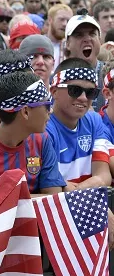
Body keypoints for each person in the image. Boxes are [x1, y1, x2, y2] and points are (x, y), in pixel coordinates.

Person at [0, 71, 64, 194]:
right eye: (47, 105)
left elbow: (53, 197)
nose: (51, 111)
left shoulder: (42, 140)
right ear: (26, 112)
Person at [47, 58, 113, 187]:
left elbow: (104, 176)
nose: (83, 98)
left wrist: (78, 191)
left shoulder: (94, 120)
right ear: (54, 91)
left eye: (90, 92)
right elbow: (51, 187)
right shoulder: (44, 127)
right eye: (74, 90)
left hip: (84, 201)